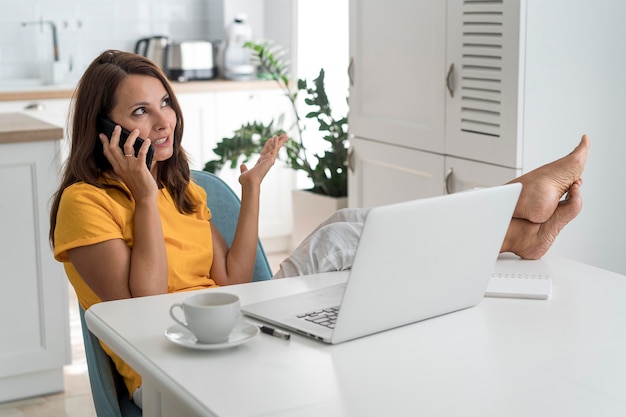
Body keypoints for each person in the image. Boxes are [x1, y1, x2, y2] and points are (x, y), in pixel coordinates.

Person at [49, 50, 589, 408]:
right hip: (168, 373)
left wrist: (253, 189)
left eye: (165, 102)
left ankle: (520, 227)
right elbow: (141, 309)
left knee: (356, 227)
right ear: (104, 130)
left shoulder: (183, 191)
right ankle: (520, 220)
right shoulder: (86, 203)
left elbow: (235, 280)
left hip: (232, 331)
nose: (163, 120)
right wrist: (143, 195)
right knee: (349, 243)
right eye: (140, 111)